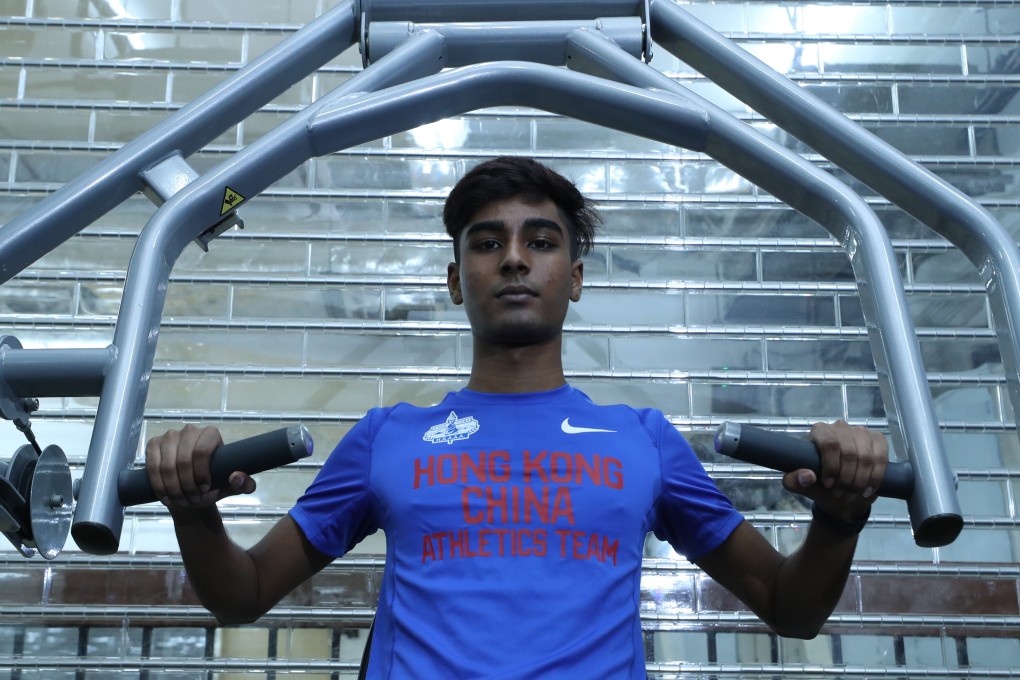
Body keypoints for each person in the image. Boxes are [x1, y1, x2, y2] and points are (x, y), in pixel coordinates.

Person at [146, 156, 888, 678]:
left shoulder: (643, 441)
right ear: (453, 280)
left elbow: (789, 609)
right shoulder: (386, 438)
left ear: (575, 280)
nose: (513, 259)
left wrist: (837, 520)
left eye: (540, 241)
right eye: (487, 242)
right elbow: (242, 595)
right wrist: (195, 512)